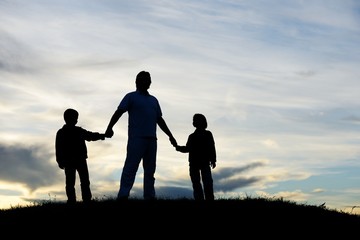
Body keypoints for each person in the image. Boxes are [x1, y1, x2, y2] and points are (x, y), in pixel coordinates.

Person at [105, 70, 177, 200]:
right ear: (137, 81)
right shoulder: (131, 97)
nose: (146, 81)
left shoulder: (154, 100)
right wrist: (109, 127)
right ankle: (123, 195)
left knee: (150, 171)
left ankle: (149, 196)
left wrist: (170, 135)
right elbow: (119, 112)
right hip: (136, 138)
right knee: (130, 167)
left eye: (148, 79)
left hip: (152, 139)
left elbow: (159, 119)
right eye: (143, 78)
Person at [55, 108, 105, 204]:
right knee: (74, 182)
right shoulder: (66, 132)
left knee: (82, 181)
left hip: (77, 160)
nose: (76, 120)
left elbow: (90, 136)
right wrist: (60, 161)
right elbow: (58, 148)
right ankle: (76, 200)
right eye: (75, 118)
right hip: (74, 160)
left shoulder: (70, 131)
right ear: (69, 119)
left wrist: (102, 136)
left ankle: (82, 200)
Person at [175, 113, 216, 201]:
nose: (195, 121)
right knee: (196, 183)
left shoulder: (208, 134)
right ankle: (199, 199)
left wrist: (213, 159)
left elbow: (212, 147)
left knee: (207, 182)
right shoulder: (192, 136)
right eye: (194, 120)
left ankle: (209, 198)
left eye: (197, 119)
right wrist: (178, 148)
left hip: (205, 162)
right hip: (193, 163)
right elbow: (188, 148)